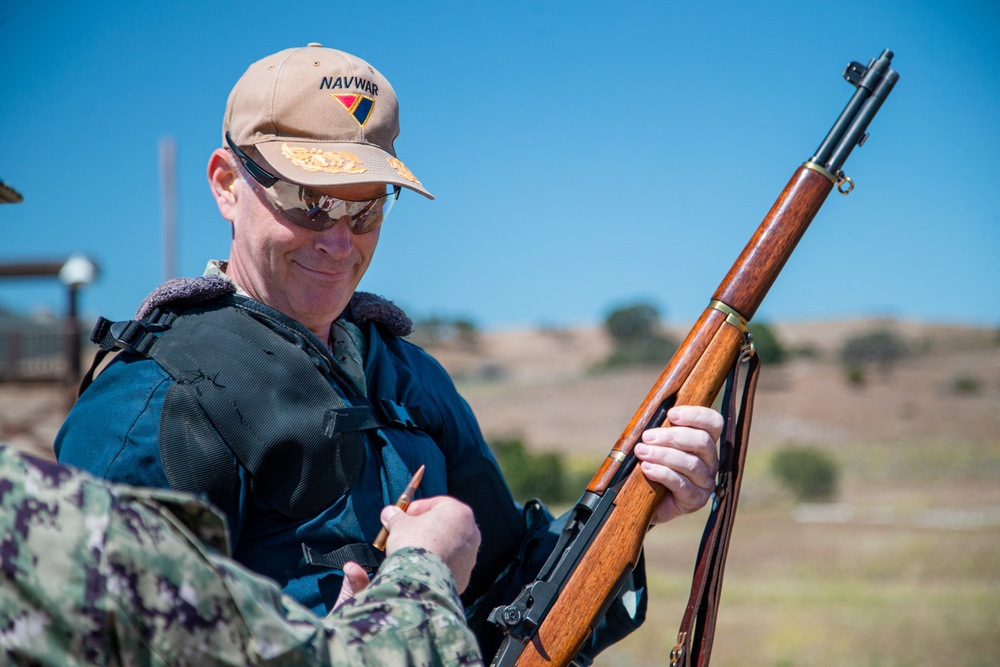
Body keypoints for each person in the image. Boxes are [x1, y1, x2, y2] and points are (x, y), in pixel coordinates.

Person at [55, 43, 723, 661]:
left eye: (368, 208)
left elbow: (516, 593)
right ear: (228, 183)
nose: (340, 243)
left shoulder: (408, 375)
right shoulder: (152, 403)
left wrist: (636, 506)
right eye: (312, 202)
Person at [0, 444, 483, 666]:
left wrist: (325, 635)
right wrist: (424, 564)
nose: (337, 242)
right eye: (310, 227)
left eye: (364, 228)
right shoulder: (40, 513)